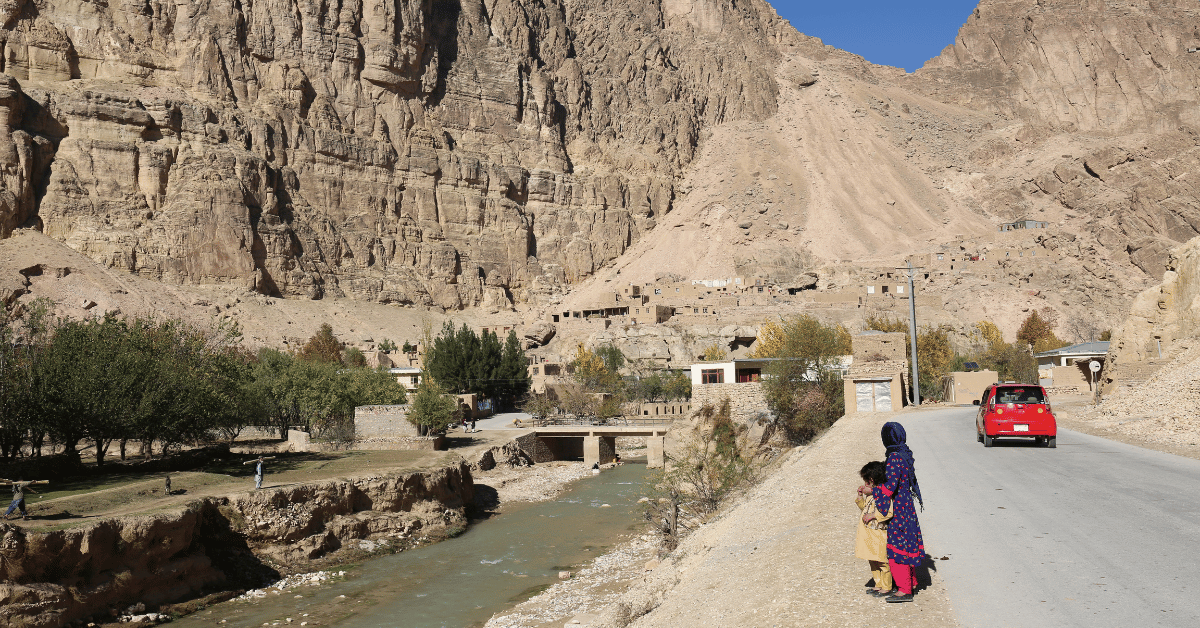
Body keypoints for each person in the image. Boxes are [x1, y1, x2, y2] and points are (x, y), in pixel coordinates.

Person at [871, 422, 925, 603]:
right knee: (907, 546)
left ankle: (904, 589)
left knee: (898, 549)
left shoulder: (893, 458)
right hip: (907, 507)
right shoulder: (905, 455)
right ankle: (912, 582)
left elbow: (889, 487)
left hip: (899, 510)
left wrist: (873, 491)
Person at [855, 461, 892, 596]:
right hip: (869, 533)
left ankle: (887, 586)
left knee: (882, 561)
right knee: (873, 560)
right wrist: (860, 496)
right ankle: (878, 584)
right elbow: (863, 508)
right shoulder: (871, 495)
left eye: (866, 482)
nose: (865, 484)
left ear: (871, 480)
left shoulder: (883, 494)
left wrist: (873, 515)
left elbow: (889, 512)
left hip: (879, 534)